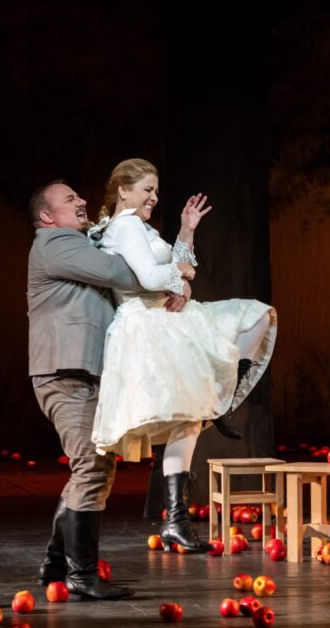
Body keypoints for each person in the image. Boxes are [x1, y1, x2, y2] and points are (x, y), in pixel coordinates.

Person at [88, 158, 276, 553]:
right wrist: (183, 279)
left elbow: (178, 265)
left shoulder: (139, 227)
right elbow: (151, 277)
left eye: (156, 191)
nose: (154, 197)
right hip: (150, 323)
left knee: (254, 318)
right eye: (147, 190)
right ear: (123, 190)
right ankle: (176, 517)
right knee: (186, 419)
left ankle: (177, 516)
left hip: (168, 318)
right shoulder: (125, 226)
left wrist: (186, 231)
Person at [28, 180, 176, 600]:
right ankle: (82, 575)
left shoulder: (79, 243)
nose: (81, 201)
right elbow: (116, 272)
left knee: (94, 467)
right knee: (92, 467)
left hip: (85, 373)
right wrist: (160, 272)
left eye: (79, 196)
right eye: (69, 199)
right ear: (47, 216)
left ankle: (57, 565)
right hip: (65, 372)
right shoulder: (54, 243)